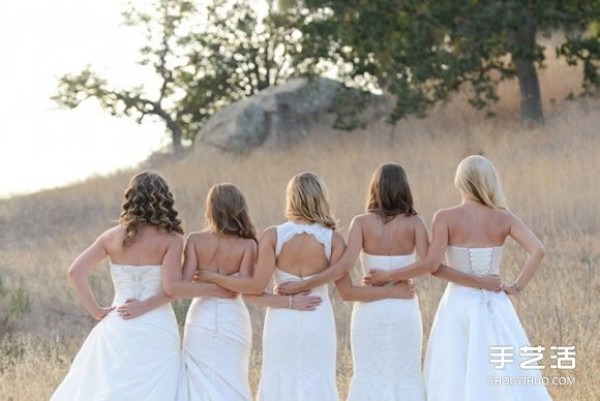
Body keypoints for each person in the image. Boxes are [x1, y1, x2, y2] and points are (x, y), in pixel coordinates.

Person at [364, 155, 552, 401]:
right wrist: (515, 287)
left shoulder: (446, 217)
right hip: (496, 303)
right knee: (502, 365)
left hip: (457, 303)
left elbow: (433, 266)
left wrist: (389, 275)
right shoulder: (504, 217)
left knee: (455, 369)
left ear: (460, 181)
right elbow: (538, 250)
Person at [201, 172, 342, 401]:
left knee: (279, 379)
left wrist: (214, 277)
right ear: (321, 198)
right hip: (318, 316)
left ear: (291, 198)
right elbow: (342, 281)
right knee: (318, 378)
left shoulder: (274, 235)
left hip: (281, 320)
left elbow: (254, 290)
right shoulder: (333, 239)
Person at [51, 171, 184, 401]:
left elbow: (76, 271)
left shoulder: (112, 236)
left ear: (131, 198)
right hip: (158, 325)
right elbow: (172, 289)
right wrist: (145, 306)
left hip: (118, 322)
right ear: (164, 199)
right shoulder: (171, 240)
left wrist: (96, 311)